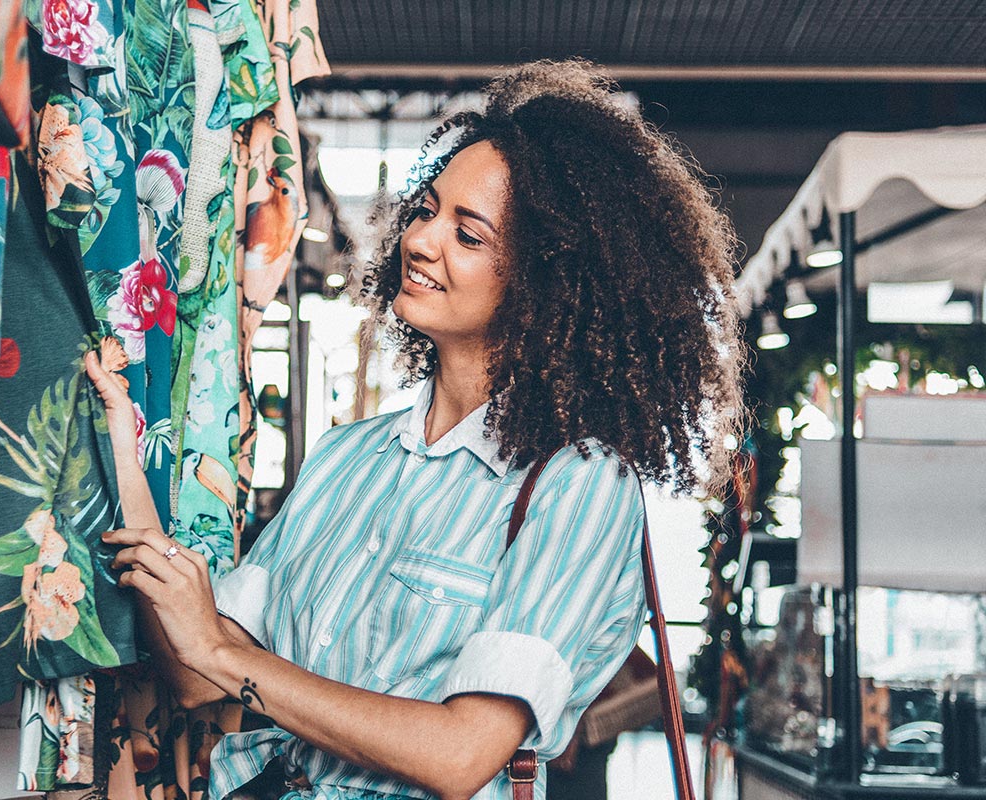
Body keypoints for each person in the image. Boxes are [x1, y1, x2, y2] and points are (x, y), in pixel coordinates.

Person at [83, 59, 745, 800]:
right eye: (426, 210)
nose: (421, 241)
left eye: (468, 235)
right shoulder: (346, 459)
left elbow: (460, 756)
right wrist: (127, 467)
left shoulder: (576, 485)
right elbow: (201, 680)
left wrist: (215, 646)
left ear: (544, 283)